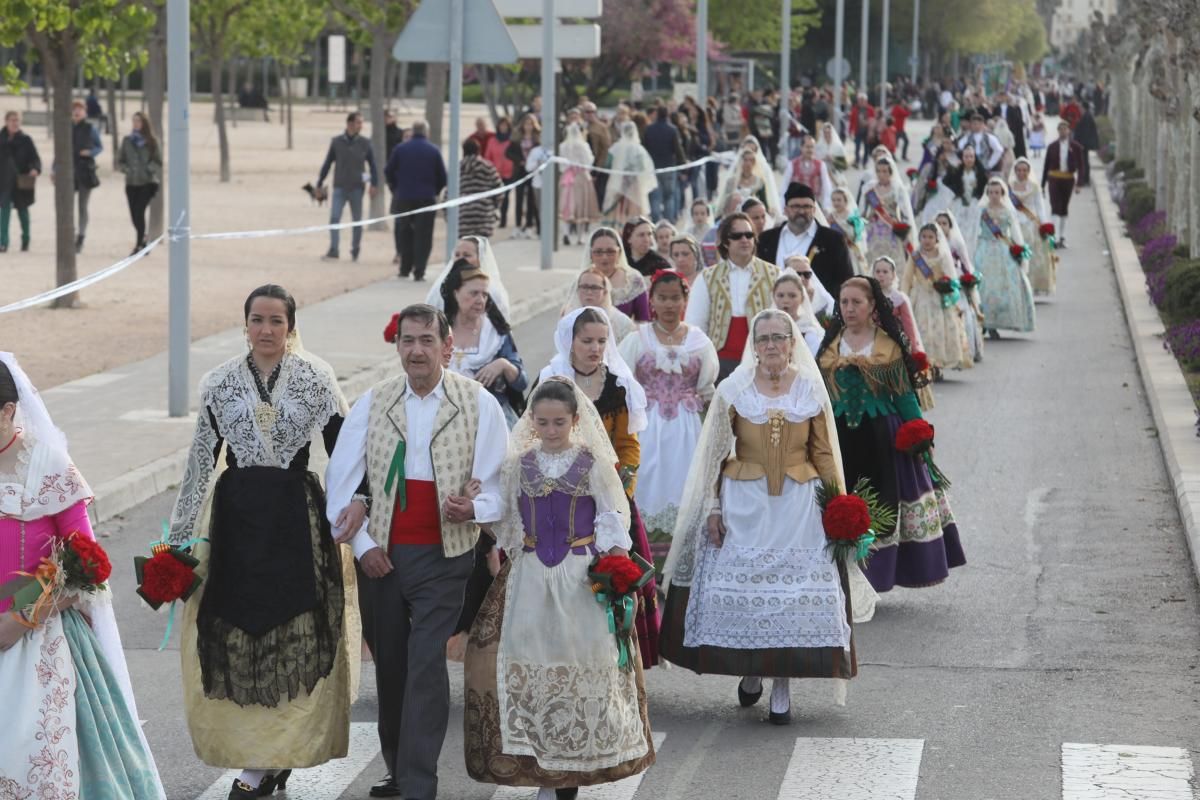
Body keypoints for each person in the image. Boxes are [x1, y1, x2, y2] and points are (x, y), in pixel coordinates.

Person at [166, 285, 358, 798]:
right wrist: (176, 545)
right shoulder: (220, 382)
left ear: (290, 326)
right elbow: (199, 463)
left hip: (296, 518)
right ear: (245, 324)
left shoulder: (317, 379)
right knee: (236, 635)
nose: (267, 330)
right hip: (236, 520)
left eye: (276, 320)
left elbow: (343, 456)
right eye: (258, 319)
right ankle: (258, 758)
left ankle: (275, 757)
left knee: (295, 632)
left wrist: (357, 518)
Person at [325, 304, 508, 800]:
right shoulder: (372, 402)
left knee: (426, 662)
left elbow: (499, 487)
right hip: (382, 559)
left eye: (427, 340)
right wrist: (363, 547)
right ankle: (399, 771)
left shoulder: (478, 404)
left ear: (446, 346)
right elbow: (338, 487)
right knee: (392, 667)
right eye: (408, 341)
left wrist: (471, 508)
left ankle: (418, 784)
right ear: (398, 346)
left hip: (445, 557)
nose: (417, 350)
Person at [661, 309, 859, 725]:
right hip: (745, 504)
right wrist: (713, 509)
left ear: (792, 343)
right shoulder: (734, 389)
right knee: (750, 594)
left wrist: (838, 507)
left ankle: (782, 684)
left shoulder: (808, 389)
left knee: (790, 599)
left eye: (779, 337)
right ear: (754, 345)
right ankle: (752, 667)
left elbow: (822, 452)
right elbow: (716, 453)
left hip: (798, 506)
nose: (771, 345)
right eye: (763, 338)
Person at [463, 379, 656, 800]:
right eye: (543, 422)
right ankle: (541, 765)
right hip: (530, 576)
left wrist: (616, 565)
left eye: (559, 422)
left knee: (578, 666)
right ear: (532, 421)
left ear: (575, 420)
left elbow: (611, 517)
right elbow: (507, 521)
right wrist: (479, 510)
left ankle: (571, 772)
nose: (551, 430)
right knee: (532, 668)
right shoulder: (519, 465)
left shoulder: (592, 464)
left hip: (577, 576)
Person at [0, 353, 166, 800]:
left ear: (9, 411)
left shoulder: (48, 465)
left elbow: (87, 565)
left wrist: (24, 615)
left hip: (42, 638)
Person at [817, 277, 965, 592]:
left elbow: (904, 396)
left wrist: (919, 433)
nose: (849, 308)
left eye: (856, 302)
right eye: (844, 302)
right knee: (838, 501)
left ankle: (875, 578)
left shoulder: (887, 345)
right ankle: (842, 578)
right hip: (839, 436)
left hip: (880, 435)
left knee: (880, 504)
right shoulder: (831, 344)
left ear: (873, 307)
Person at [537, 307, 661, 669]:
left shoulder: (618, 386)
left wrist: (623, 487)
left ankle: (617, 655)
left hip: (608, 496)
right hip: (559, 496)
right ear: (570, 341)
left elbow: (628, 445)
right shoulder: (552, 381)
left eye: (601, 341)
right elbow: (534, 435)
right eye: (587, 340)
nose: (594, 348)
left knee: (611, 574)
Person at [619, 271, 718, 572]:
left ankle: (682, 570)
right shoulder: (637, 339)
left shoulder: (700, 341)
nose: (669, 304)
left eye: (676, 297)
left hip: (689, 428)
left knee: (686, 485)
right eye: (662, 298)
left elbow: (707, 386)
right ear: (651, 301)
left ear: (685, 300)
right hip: (647, 427)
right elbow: (624, 384)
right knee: (647, 484)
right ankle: (648, 565)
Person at [426, 257, 528, 426]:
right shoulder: (439, 331)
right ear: (456, 293)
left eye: (485, 294)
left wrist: (503, 364)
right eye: (474, 293)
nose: (481, 300)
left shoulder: (496, 333)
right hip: (444, 417)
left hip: (491, 419)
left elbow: (522, 382)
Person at [686, 212, 781, 381]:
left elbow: (785, 320)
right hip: (719, 361)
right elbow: (695, 324)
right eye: (737, 236)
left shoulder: (774, 274)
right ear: (725, 242)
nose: (745, 240)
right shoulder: (707, 277)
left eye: (749, 235)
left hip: (763, 359)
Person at [967, 177, 1036, 338]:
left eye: (997, 192)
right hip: (984, 249)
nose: (993, 195)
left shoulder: (1008, 210)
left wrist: (1019, 249)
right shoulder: (981, 211)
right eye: (990, 192)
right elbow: (972, 232)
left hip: (1003, 250)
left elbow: (1015, 232)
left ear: (1002, 193)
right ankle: (983, 322)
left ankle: (997, 322)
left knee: (1004, 286)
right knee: (984, 285)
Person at [758, 183, 855, 294]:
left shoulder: (833, 240)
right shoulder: (766, 239)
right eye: (796, 206)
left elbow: (846, 281)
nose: (801, 211)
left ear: (814, 209)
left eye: (806, 206)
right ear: (785, 210)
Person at [903, 224, 971, 376]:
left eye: (930, 237)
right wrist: (904, 298)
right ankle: (927, 363)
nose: (926, 240)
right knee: (923, 330)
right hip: (920, 297)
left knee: (940, 330)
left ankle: (938, 364)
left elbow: (951, 278)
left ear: (936, 239)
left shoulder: (943, 255)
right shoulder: (915, 256)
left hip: (938, 298)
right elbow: (907, 278)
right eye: (924, 237)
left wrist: (946, 284)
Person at [386, 119, 447, 280]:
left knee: (405, 233)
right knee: (424, 235)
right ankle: (419, 270)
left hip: (404, 197)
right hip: (426, 198)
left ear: (412, 131)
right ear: (426, 132)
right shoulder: (433, 151)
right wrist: (435, 191)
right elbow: (442, 176)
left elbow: (388, 171)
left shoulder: (400, 149)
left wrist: (395, 189)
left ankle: (404, 268)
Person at [317, 111, 379, 262]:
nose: (361, 125)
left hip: (357, 188)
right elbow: (327, 163)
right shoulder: (336, 142)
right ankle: (334, 250)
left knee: (357, 221)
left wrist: (374, 184)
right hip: (339, 187)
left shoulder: (365, 143)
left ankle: (355, 249)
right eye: (358, 122)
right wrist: (319, 182)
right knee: (334, 218)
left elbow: (373, 165)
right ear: (350, 124)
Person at [568, 227, 652, 322]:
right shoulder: (582, 280)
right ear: (591, 254)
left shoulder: (633, 279)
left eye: (610, 252)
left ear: (619, 252)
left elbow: (644, 320)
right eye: (598, 252)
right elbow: (569, 317)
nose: (604, 257)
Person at [934, 211, 985, 363]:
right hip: (938, 282)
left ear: (950, 226)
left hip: (955, 281)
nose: (941, 226)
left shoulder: (956, 242)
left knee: (963, 313)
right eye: (938, 223)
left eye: (944, 223)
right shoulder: (931, 242)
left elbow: (966, 263)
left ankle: (967, 349)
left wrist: (968, 279)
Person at [57, 100, 102, 254]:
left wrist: (90, 153)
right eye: (74, 109)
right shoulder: (66, 128)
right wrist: (54, 169)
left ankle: (81, 236)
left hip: (85, 171)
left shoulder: (90, 129)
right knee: (66, 206)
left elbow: (99, 146)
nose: (77, 112)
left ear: (85, 112)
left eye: (80, 109)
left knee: (82, 206)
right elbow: (59, 150)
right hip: (68, 171)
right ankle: (68, 236)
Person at [1008, 157, 1057, 295]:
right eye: (1019, 170)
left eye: (1024, 170)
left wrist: (1044, 224)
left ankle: (1032, 285)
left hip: (1031, 224)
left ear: (1028, 171)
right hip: (1015, 224)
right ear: (1015, 171)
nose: (1021, 173)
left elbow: (1040, 206)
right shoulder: (1009, 187)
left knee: (1033, 257)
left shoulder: (1034, 187)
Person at [116, 110, 162, 255]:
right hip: (131, 183)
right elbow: (119, 161)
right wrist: (126, 169)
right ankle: (144, 239)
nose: (135, 124)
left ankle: (139, 245)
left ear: (144, 123)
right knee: (134, 215)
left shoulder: (152, 142)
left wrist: (149, 169)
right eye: (134, 121)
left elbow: (158, 161)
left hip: (147, 183)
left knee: (139, 212)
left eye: (138, 121)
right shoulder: (127, 141)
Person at [861, 158, 915, 269]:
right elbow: (863, 211)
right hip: (873, 229)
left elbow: (906, 212)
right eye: (879, 171)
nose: (881, 174)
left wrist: (904, 228)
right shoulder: (870, 189)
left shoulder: (897, 188)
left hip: (891, 229)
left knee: (893, 261)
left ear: (891, 172)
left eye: (885, 171)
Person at [0, 110, 40, 253]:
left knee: (23, 213)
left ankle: (25, 240)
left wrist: (35, 169)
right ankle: (2, 243)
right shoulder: (1, 139)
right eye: (12, 120)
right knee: (4, 213)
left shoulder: (26, 140)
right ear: (6, 121)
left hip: (21, 182)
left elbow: (35, 159)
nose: (15, 123)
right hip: (3, 182)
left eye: (17, 120)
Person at [603, 121, 656, 224]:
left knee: (618, 209)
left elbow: (607, 165)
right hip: (634, 184)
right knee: (635, 209)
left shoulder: (616, 148)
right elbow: (643, 168)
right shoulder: (639, 149)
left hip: (618, 183)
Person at [1041, 121, 1083, 249]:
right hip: (1054, 178)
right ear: (1058, 131)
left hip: (1068, 179)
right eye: (1060, 129)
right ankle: (1054, 237)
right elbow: (1046, 165)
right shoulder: (1052, 146)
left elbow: (1081, 166)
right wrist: (1043, 184)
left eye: (1065, 129)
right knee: (1055, 206)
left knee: (1064, 207)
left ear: (1069, 131)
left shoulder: (1076, 147)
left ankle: (1062, 236)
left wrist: (1079, 183)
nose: (1063, 131)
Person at [871, 255, 925, 357]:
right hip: (872, 342)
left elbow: (909, 326)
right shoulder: (868, 297)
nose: (881, 275)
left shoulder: (899, 299)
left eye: (885, 272)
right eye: (877, 272)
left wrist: (913, 350)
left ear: (893, 275)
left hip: (895, 343)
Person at [559, 121, 601, 245]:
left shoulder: (563, 146)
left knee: (566, 206)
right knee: (582, 206)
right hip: (582, 177)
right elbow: (589, 161)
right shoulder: (583, 145)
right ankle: (580, 237)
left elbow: (562, 165)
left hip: (567, 177)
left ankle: (566, 233)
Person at [643, 105, 686, 223]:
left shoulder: (649, 129)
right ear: (667, 115)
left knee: (655, 197)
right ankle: (668, 222)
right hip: (669, 167)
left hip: (653, 168)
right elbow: (678, 149)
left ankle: (656, 222)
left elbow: (645, 148)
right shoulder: (672, 129)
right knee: (669, 197)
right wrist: (683, 165)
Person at [772, 270, 826, 355]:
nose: (785, 301)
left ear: (802, 298)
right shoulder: (765, 327)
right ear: (774, 297)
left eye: (792, 296)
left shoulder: (809, 331)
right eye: (780, 295)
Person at [458, 138, 502, 240]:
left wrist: (449, 215)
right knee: (482, 249)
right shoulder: (488, 167)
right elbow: (499, 189)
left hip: (463, 215)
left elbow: (448, 193)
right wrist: (495, 207)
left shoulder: (457, 168)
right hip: (484, 214)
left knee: (466, 248)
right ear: (479, 150)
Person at [780, 136, 833, 212]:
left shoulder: (821, 165)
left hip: (814, 206)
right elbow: (784, 186)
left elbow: (827, 187)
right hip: (795, 207)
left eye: (812, 147)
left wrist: (826, 207)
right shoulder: (792, 164)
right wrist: (783, 206)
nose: (810, 150)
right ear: (801, 147)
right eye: (807, 147)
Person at [827, 188, 870, 275]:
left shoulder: (852, 216)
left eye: (839, 200)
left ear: (846, 201)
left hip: (849, 249)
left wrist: (840, 225)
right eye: (833, 200)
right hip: (835, 249)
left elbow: (854, 234)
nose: (836, 203)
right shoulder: (830, 216)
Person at [483, 116, 515, 229]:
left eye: (505, 126)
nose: (503, 127)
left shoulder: (511, 141)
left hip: (508, 173)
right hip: (495, 173)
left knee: (505, 197)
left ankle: (504, 219)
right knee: (494, 196)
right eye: (501, 125)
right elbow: (487, 156)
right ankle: (494, 215)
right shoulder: (492, 140)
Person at [582, 101, 613, 208]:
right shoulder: (581, 127)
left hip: (599, 167)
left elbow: (605, 149)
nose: (590, 114)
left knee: (599, 194)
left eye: (592, 112)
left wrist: (597, 170)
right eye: (587, 112)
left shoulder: (602, 128)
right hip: (583, 166)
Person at [848, 94, 876, 167]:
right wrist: (850, 131)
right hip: (858, 131)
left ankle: (864, 162)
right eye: (859, 100)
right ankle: (857, 161)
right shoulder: (855, 109)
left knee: (866, 148)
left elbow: (874, 120)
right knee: (857, 147)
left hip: (867, 132)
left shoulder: (870, 109)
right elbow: (851, 121)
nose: (861, 102)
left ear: (866, 101)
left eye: (862, 100)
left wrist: (871, 128)